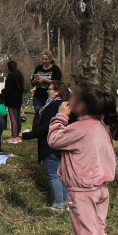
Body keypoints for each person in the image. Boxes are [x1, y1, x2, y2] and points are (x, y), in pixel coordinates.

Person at [47, 82, 118, 235]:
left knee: (84, 232)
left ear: (82, 105)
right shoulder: (100, 127)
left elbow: (54, 139)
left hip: (82, 190)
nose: (69, 101)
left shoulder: (79, 129)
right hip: (101, 187)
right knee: (98, 230)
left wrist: (60, 115)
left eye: (73, 98)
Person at [23, 80, 71, 211]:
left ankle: (58, 204)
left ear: (57, 92)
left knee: (54, 175)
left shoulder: (52, 106)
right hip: (66, 145)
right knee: (63, 175)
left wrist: (27, 135)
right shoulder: (68, 105)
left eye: (50, 89)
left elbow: (45, 127)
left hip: (51, 146)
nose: (47, 91)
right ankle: (67, 202)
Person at [2, 60, 25, 144]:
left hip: (11, 100)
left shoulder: (10, 77)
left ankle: (14, 136)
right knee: (18, 117)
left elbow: (8, 90)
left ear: (8, 68)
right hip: (18, 100)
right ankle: (18, 135)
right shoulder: (19, 76)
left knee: (13, 118)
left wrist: (3, 92)